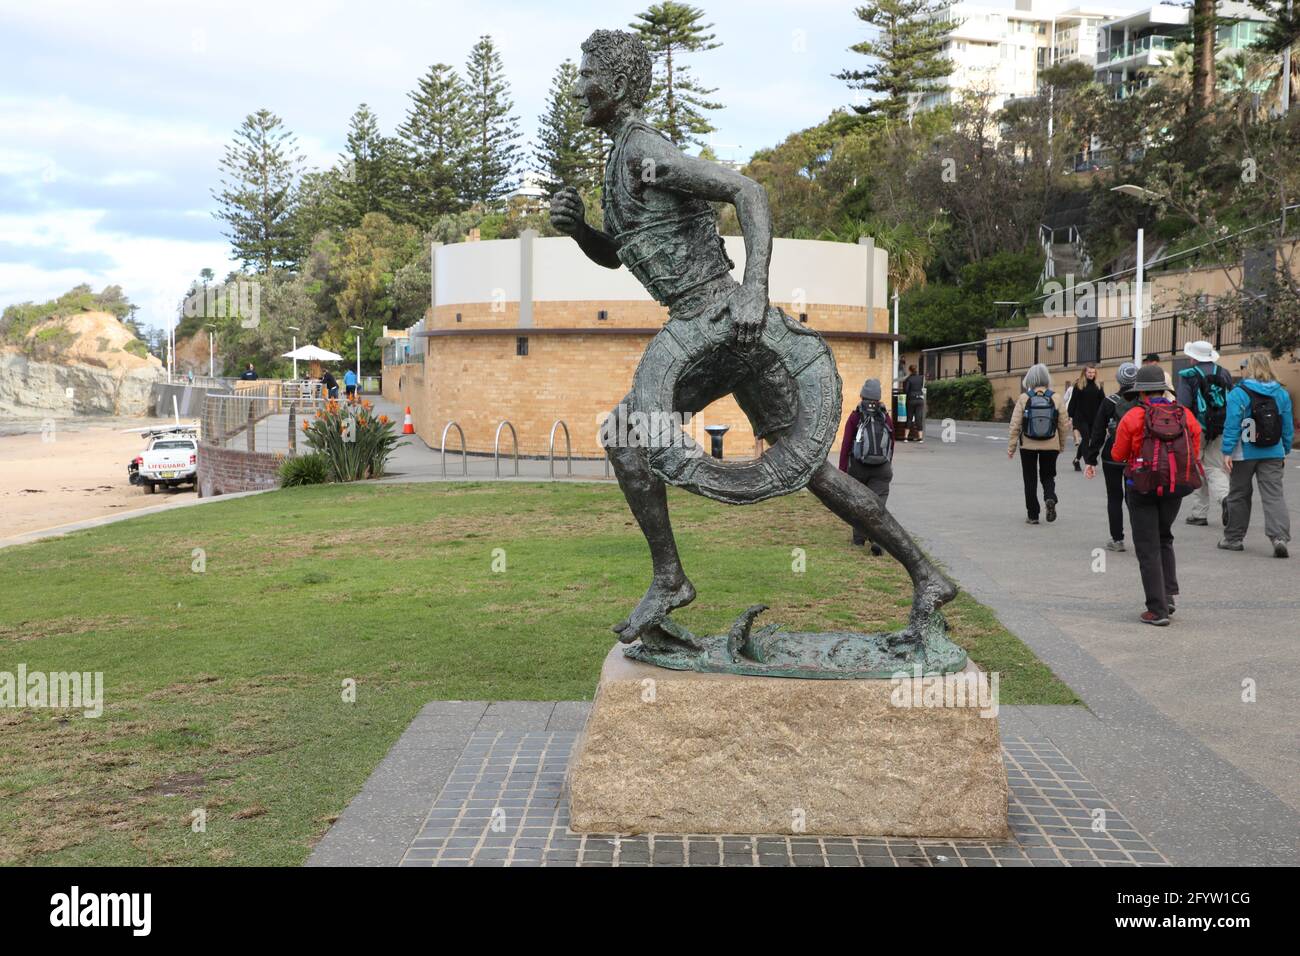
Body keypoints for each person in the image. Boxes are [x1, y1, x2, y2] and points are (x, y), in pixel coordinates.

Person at [1110, 364, 1203, 626]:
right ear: (1164, 389)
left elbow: (1117, 454)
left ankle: (1157, 609)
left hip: (1141, 487)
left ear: (1141, 392)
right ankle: (1168, 596)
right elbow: (1195, 447)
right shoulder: (1184, 414)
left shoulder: (1133, 417)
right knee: (1165, 538)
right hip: (1174, 486)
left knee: (1147, 546)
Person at [1219, 353, 1293, 557]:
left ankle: (1233, 538)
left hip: (1244, 452)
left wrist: (1227, 451)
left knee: (1239, 495)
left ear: (1248, 368)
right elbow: (1286, 424)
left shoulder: (1238, 392)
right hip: (1273, 451)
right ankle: (1279, 537)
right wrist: (1284, 447)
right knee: (1273, 495)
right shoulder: (1281, 393)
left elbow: (1232, 424)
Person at [1083, 362, 1141, 551]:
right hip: (1136, 456)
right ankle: (1142, 538)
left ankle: (1117, 539)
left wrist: (1091, 459)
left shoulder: (1110, 401)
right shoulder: (1143, 402)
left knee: (1114, 496)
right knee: (1134, 497)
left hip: (1112, 455)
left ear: (1118, 379)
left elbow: (1098, 431)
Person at [1176, 340, 1233, 527]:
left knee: (1197, 466)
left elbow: (1183, 405)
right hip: (1220, 426)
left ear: (1193, 357)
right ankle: (1225, 497)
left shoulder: (1188, 375)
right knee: (1216, 466)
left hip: (1197, 429)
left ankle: (1200, 513)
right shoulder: (1223, 372)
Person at [838, 379, 895, 555]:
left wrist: (842, 470)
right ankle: (877, 540)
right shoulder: (885, 416)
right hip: (882, 469)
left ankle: (859, 538)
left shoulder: (856, 416)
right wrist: (887, 464)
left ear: (862, 395)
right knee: (877, 506)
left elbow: (847, 444)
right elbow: (891, 444)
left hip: (858, 467)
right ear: (878, 397)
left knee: (858, 502)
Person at [1007, 363, 1068, 524]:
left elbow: (1015, 425)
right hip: (1051, 443)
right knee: (1048, 475)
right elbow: (1063, 424)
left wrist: (1011, 447)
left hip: (1028, 444)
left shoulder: (1024, 398)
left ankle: (1033, 515)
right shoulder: (1056, 397)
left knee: (1030, 478)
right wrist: (1061, 445)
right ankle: (1050, 497)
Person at [1066, 363, 1104, 472]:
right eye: (1089, 372)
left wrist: (1104, 415)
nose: (1091, 374)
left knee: (1087, 441)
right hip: (1080, 417)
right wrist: (1070, 417)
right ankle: (1088, 462)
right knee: (1086, 438)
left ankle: (1076, 460)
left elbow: (1103, 401)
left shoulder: (1098, 386)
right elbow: (1073, 401)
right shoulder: (1079, 385)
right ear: (1085, 373)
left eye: (1093, 372)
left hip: (1094, 418)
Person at [902, 365, 926, 442]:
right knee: (918, 418)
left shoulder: (908, 379)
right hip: (920, 399)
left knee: (909, 418)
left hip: (911, 400)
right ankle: (920, 438)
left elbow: (905, 390)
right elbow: (923, 387)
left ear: (910, 370)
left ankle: (906, 437)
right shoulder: (921, 378)